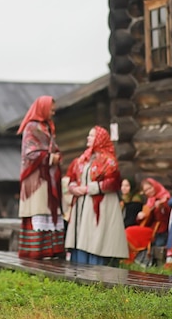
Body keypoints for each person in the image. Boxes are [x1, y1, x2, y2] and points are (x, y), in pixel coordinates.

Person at [64, 126, 128, 266]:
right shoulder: (83, 158)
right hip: (82, 204)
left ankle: (97, 268)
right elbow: (72, 176)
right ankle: (79, 266)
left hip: (101, 204)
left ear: (100, 139)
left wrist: (89, 188)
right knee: (82, 236)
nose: (88, 138)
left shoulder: (109, 160)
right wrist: (73, 187)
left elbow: (113, 182)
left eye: (91, 136)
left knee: (96, 237)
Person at [16, 95, 65, 259]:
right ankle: (36, 251)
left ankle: (51, 250)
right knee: (38, 210)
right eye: (51, 109)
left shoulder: (48, 126)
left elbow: (52, 147)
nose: (53, 112)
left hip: (49, 176)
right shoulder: (32, 127)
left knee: (48, 210)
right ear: (43, 108)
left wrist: (56, 155)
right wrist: (50, 158)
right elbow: (30, 153)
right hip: (36, 178)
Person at [124, 178, 171, 265]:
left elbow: (166, 214)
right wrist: (140, 216)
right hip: (151, 228)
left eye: (150, 188)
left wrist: (162, 207)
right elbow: (147, 220)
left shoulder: (164, 198)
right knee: (130, 232)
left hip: (161, 230)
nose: (148, 191)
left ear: (155, 186)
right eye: (146, 190)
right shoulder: (150, 201)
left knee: (130, 231)